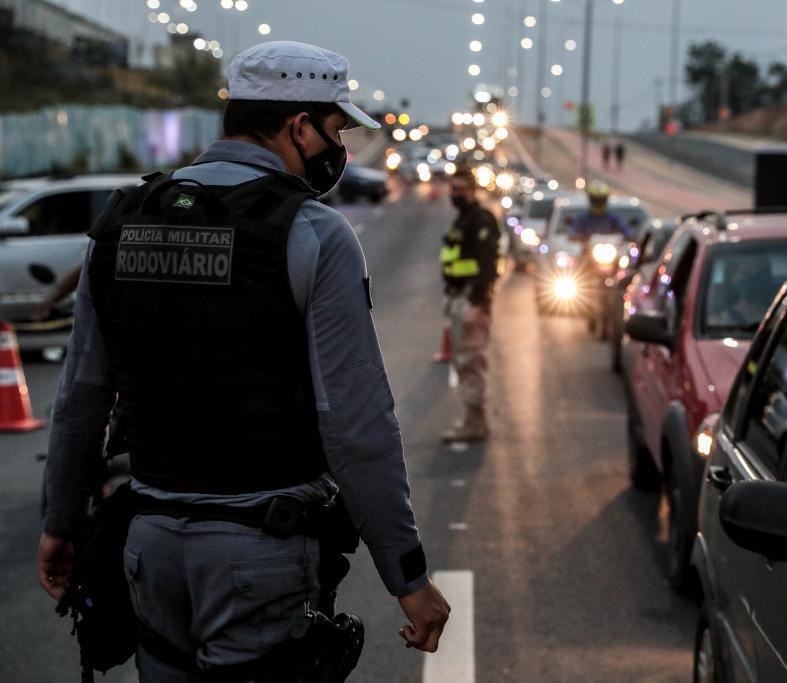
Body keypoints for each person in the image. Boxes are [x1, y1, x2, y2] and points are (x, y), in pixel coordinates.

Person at [36, 41, 449, 680]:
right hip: (259, 551)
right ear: (300, 127)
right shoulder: (312, 232)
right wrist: (408, 574)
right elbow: (357, 426)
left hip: (147, 543)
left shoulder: (123, 223)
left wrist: (60, 521)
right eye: (337, 129)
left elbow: (81, 395)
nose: (340, 148)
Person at [439, 165, 500, 443]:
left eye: (461, 190)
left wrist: (477, 303)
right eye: (453, 190)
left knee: (471, 362)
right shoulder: (463, 218)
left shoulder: (481, 219)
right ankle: (474, 420)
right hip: (459, 296)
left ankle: (475, 422)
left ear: (474, 191)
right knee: (465, 362)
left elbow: (488, 265)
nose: (455, 195)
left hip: (471, 300)